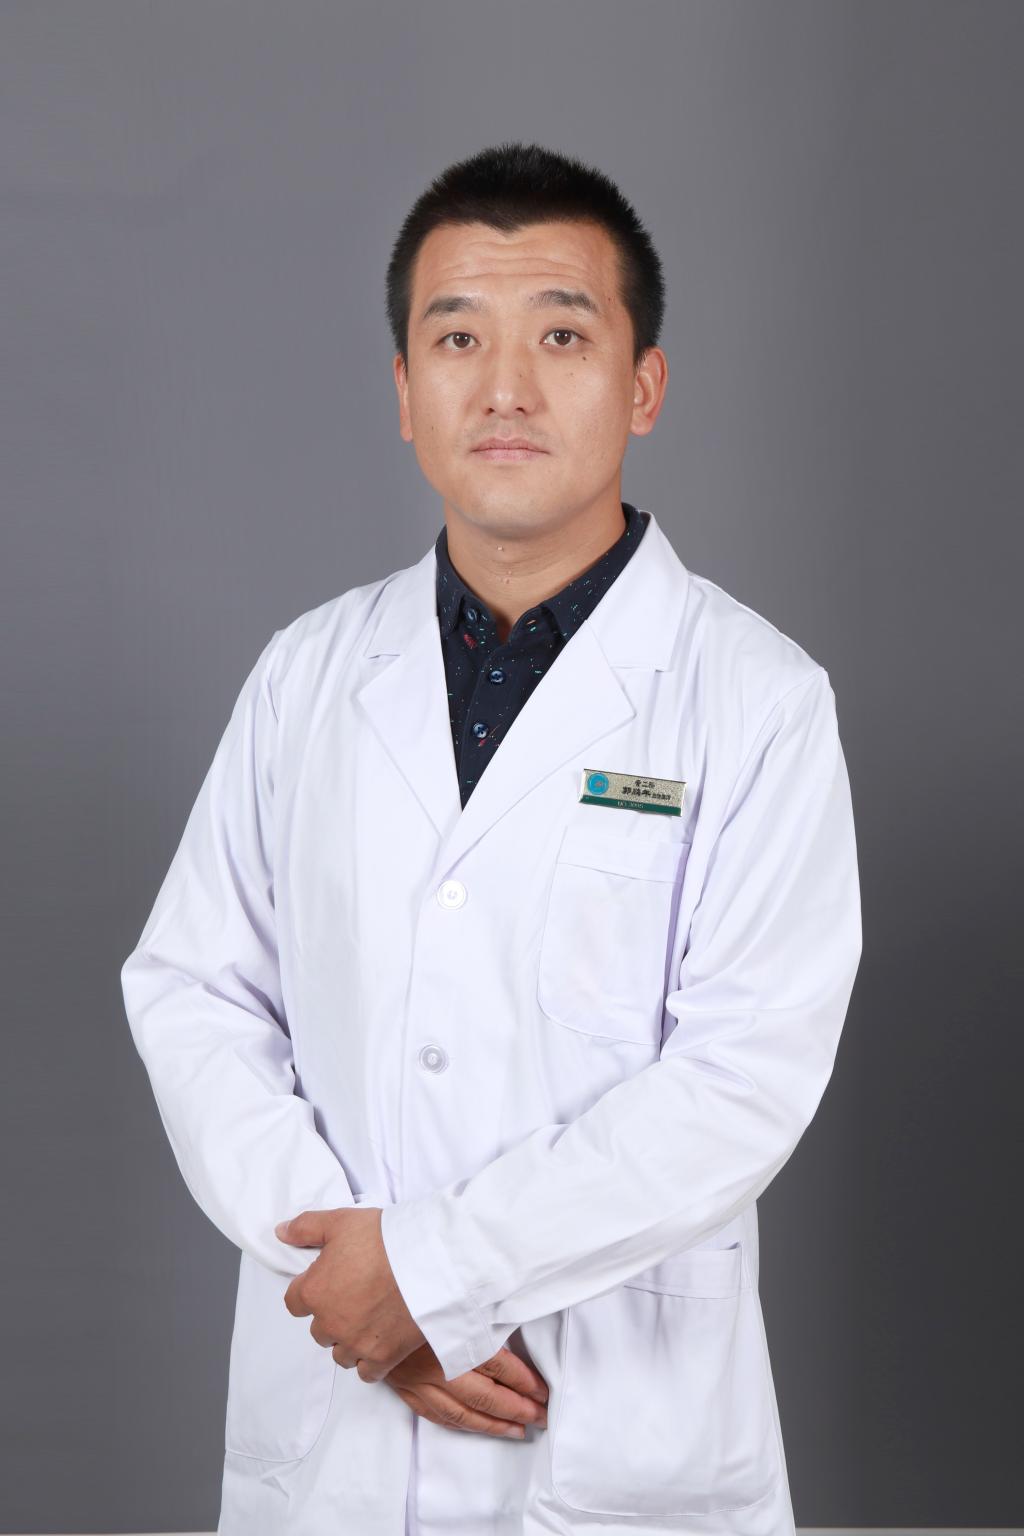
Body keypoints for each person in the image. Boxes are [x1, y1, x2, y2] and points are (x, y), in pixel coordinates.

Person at [120, 140, 862, 1536]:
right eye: (457, 337)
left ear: (643, 384)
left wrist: (436, 1276)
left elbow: (743, 1076)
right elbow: (194, 992)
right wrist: (353, 1278)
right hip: (337, 1422)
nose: (505, 387)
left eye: (562, 335)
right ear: (405, 391)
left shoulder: (758, 701)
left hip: (612, 1439)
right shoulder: (305, 676)